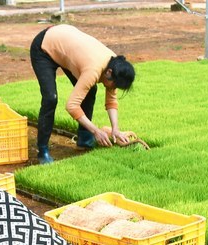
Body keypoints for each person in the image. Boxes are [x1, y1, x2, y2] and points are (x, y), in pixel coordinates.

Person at [30, 24, 136, 165]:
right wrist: (95, 130)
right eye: (115, 85)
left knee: (90, 91)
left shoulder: (116, 65)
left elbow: (111, 100)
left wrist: (116, 130)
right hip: (45, 46)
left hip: (66, 45)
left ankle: (84, 140)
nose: (113, 88)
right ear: (109, 73)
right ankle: (43, 150)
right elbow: (72, 106)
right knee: (50, 98)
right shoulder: (94, 69)